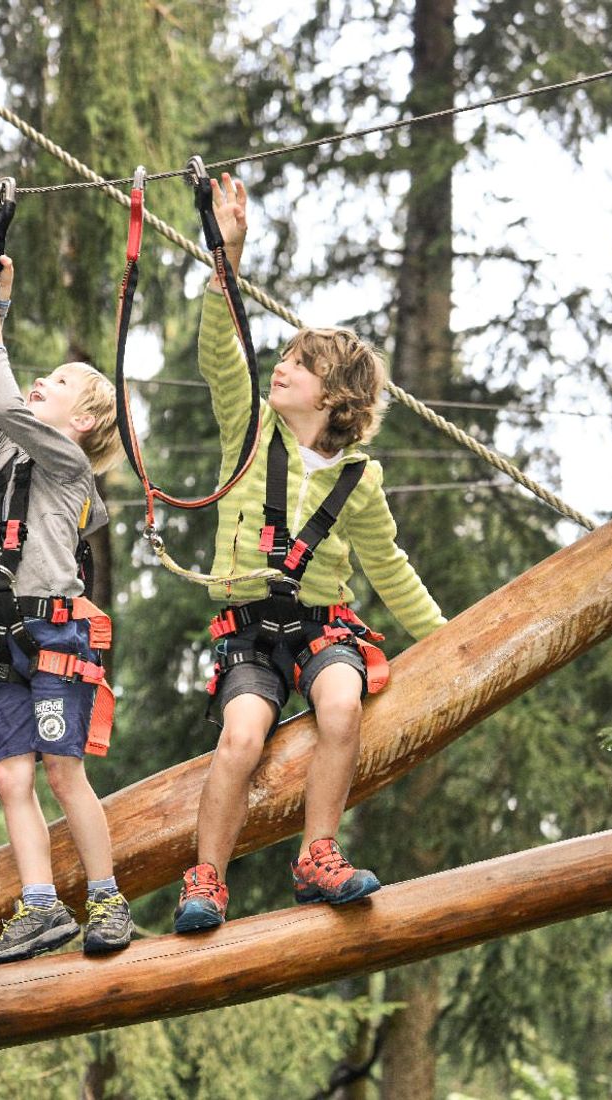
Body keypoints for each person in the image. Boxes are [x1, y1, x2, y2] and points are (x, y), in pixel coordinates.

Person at [173, 176, 447, 932]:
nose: (281, 366)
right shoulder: (250, 432)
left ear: (334, 398)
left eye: (300, 362)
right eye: (285, 356)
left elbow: (388, 566)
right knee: (241, 737)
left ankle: (317, 853)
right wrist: (227, 254)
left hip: (324, 627)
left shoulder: (360, 478)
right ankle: (207, 879)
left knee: (340, 705)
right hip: (249, 633)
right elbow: (222, 351)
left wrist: (445, 639)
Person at [0, 242, 133, 963]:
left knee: (64, 770)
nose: (41, 380)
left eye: (58, 382)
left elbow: (6, 395)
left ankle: (105, 895)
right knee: (11, 774)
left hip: (54, 633)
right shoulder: (8, 453)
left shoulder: (66, 463)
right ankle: (41, 906)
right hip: (4, 633)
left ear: (84, 423)